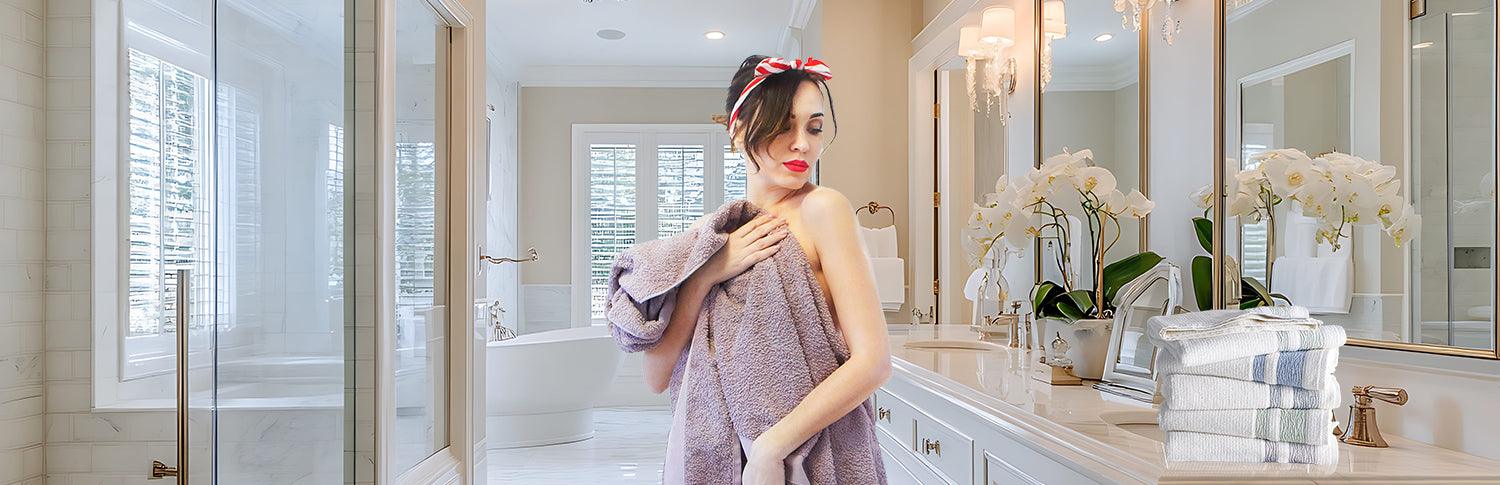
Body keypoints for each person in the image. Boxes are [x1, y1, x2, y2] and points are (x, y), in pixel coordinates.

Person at [639, 55, 892, 484]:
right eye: (782, 126)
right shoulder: (711, 233)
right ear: (737, 130)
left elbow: (873, 362)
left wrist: (769, 449)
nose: (802, 144)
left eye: (813, 127)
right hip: (713, 451)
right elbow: (656, 375)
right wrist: (705, 275)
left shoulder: (823, 209)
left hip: (804, 452)